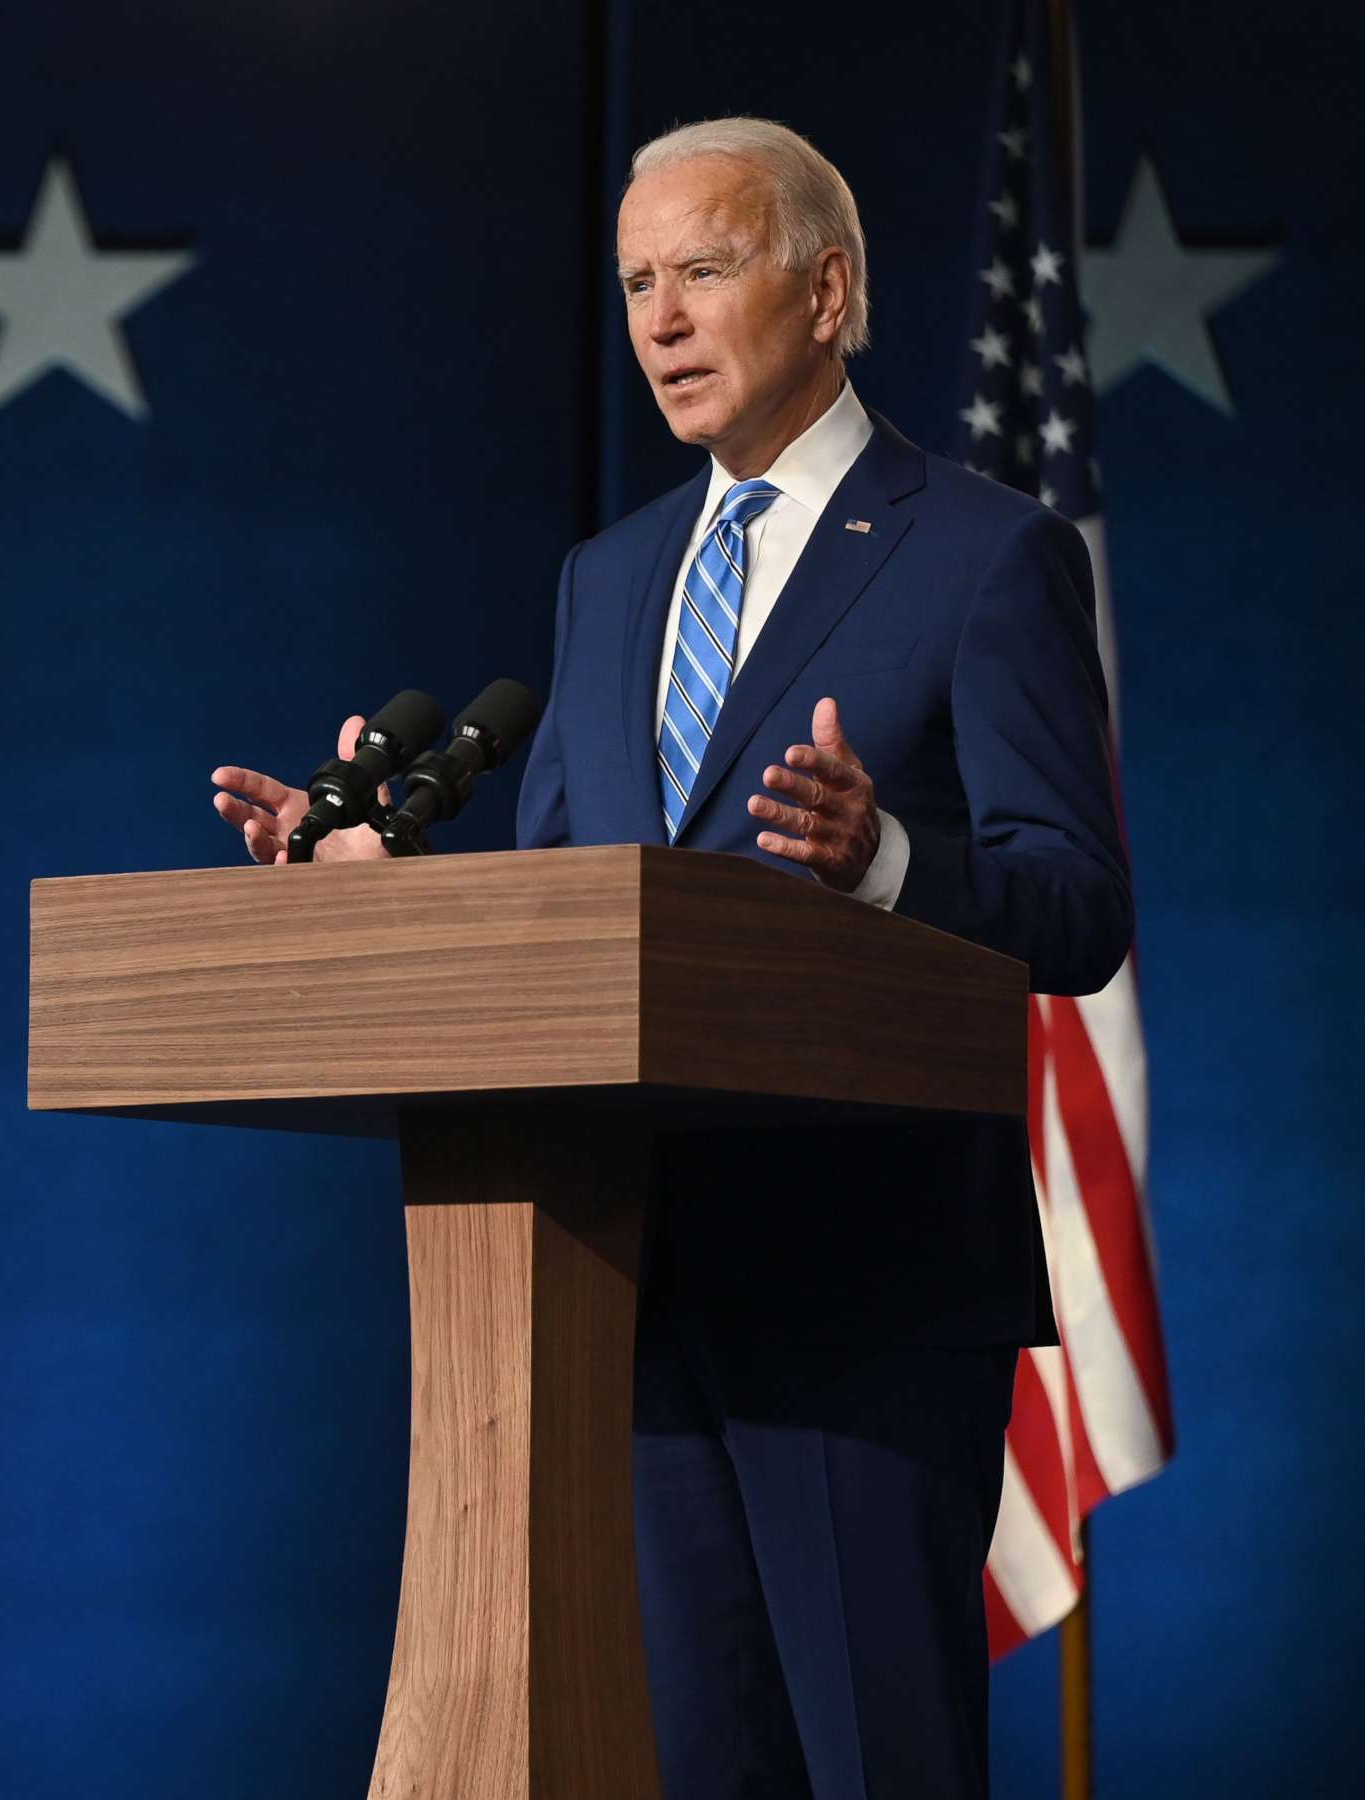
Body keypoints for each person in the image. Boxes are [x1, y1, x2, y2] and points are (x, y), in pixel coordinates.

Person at [213, 118, 1130, 1798]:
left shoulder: (985, 553)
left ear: (827, 287)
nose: (660, 320)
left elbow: (1077, 907)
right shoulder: (611, 576)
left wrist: (890, 861)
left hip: (864, 1294)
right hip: (626, 1284)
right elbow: (577, 900)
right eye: (637, 281)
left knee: (882, 1765)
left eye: (704, 270)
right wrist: (378, 881)